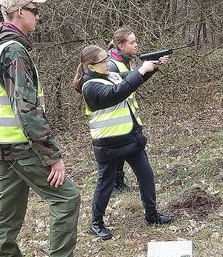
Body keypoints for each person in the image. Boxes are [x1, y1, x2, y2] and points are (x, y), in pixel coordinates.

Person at [0, 0, 92, 257]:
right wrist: (52, 155)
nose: (39, 15)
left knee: (8, 208)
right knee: (67, 199)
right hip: (19, 144)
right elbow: (25, 108)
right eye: (34, 10)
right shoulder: (13, 51)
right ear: (19, 13)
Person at [72, 44, 173, 240]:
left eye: (107, 59)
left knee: (146, 176)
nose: (108, 63)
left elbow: (132, 81)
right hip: (108, 143)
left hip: (129, 136)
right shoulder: (90, 86)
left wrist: (152, 66)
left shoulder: (112, 75)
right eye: (102, 61)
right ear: (91, 66)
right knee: (106, 184)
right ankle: (96, 223)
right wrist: (141, 70)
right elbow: (118, 93)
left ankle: (152, 216)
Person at [106, 29, 140, 192]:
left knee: (122, 152)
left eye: (135, 41)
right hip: (114, 117)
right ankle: (112, 186)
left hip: (127, 114)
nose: (136, 45)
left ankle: (117, 183)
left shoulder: (128, 61)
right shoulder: (111, 65)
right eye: (132, 42)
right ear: (120, 46)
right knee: (115, 155)